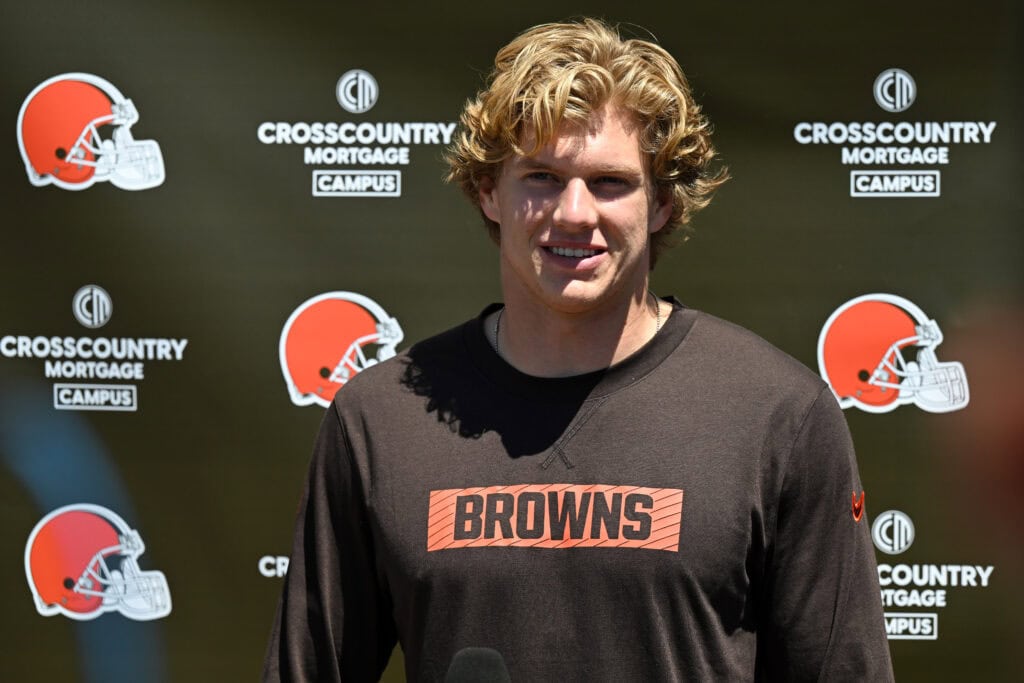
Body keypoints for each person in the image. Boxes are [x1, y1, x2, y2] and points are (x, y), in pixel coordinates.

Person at [264, 18, 893, 681]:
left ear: (661, 203)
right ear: (488, 191)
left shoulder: (781, 417)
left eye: (610, 182)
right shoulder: (377, 421)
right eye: (540, 176)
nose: (573, 212)